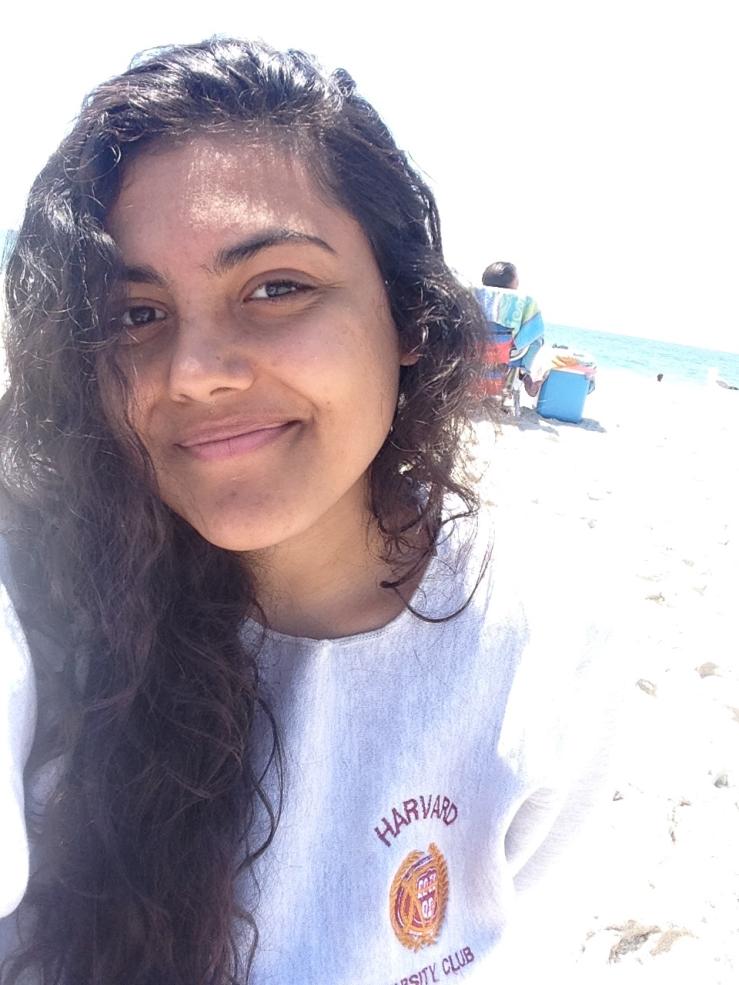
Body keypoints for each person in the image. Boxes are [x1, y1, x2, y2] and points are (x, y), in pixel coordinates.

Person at [0, 39, 614, 985]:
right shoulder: (41, 599)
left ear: (408, 314)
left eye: (276, 287)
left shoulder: (535, 638)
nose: (195, 370)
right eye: (134, 314)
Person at [475, 262, 546, 400]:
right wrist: (515, 345)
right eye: (517, 277)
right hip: (507, 355)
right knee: (538, 339)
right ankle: (524, 373)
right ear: (510, 281)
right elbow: (536, 329)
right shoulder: (525, 300)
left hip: (473, 350)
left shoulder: (472, 293)